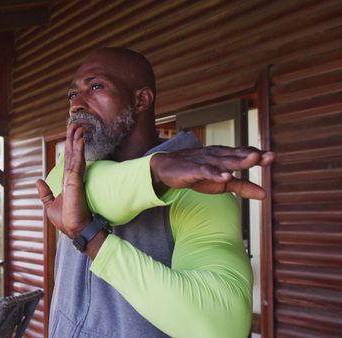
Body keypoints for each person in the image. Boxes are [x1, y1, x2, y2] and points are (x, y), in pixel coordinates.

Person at [35, 48, 274, 338]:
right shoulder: (72, 166)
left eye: (95, 87)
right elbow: (97, 195)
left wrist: (91, 236)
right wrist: (157, 171)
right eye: (72, 95)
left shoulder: (199, 191)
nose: (76, 105)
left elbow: (220, 325)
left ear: (141, 100)